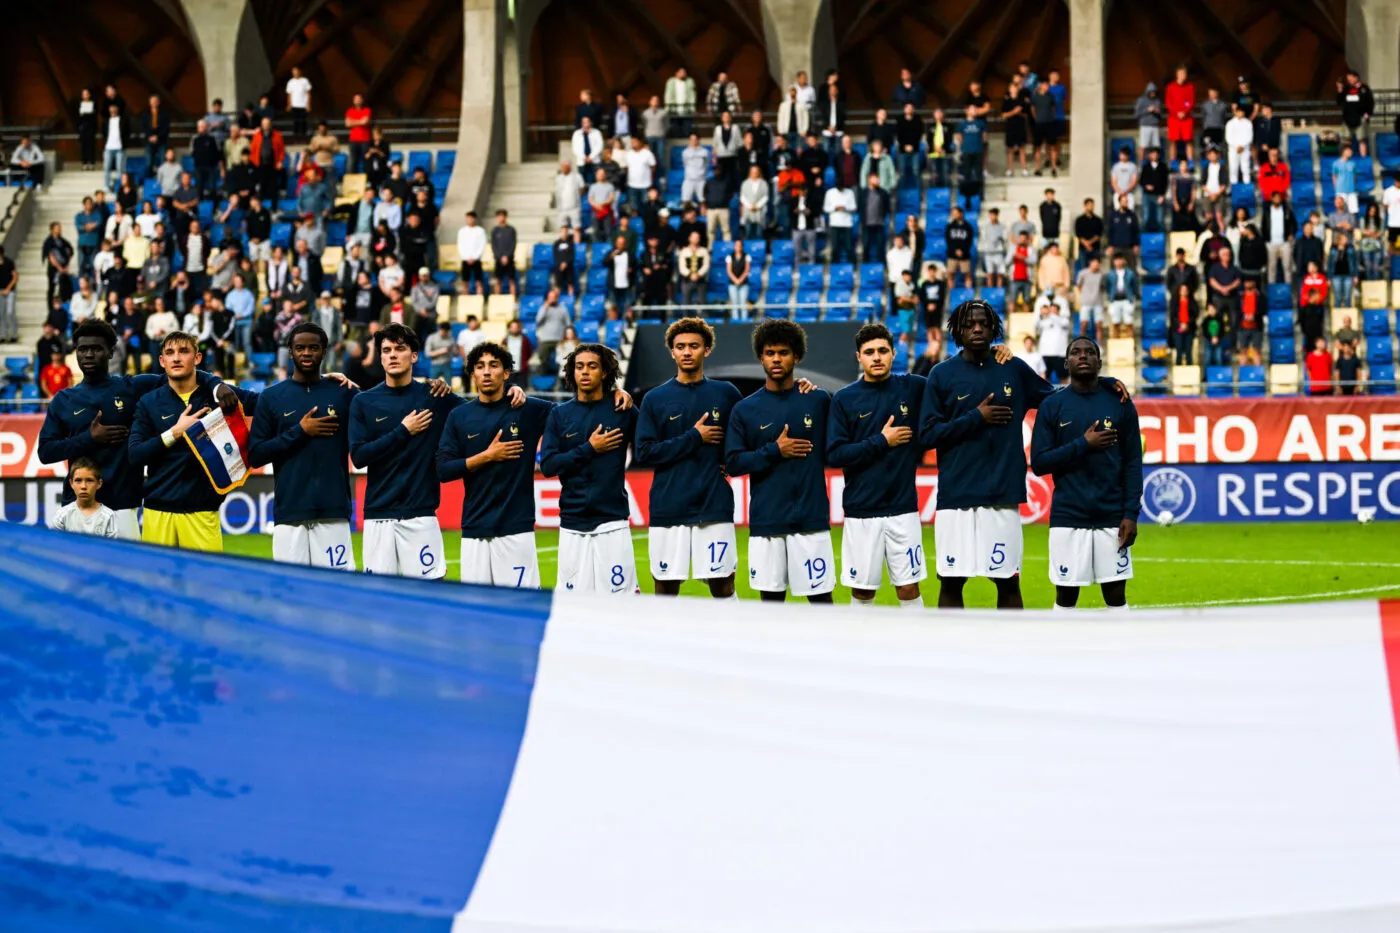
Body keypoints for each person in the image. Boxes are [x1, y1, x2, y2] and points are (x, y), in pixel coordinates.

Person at [919, 300, 1120, 609]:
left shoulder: (1012, 368)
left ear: (994, 329)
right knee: (951, 582)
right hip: (956, 498)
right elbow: (927, 435)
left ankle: (1013, 653)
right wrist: (976, 417)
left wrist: (1099, 380)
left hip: (1002, 496)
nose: (977, 328)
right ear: (958, 329)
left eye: (983, 323)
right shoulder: (941, 374)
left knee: (1008, 583)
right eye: (970, 323)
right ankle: (951, 651)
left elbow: (1057, 399)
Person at [725, 320, 834, 603]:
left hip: (811, 521)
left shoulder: (818, 399)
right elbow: (733, 463)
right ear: (761, 356)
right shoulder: (745, 409)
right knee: (771, 608)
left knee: (822, 605)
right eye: (770, 352)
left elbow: (836, 449)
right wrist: (775, 450)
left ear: (796, 356)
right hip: (767, 523)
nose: (776, 358)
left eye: (783, 352)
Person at [1030, 337, 1142, 612]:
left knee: (1116, 596)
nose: (1083, 356)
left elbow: (1132, 463)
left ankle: (1123, 653)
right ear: (1066, 363)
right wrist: (1084, 444)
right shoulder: (1052, 405)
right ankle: (1062, 654)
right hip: (1068, 516)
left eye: (1090, 352)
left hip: (1112, 515)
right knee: (1066, 598)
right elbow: (1040, 463)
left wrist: (1130, 514)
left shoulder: (1120, 402)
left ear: (1099, 362)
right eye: (1076, 353)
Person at [635, 318, 744, 598]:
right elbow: (645, 452)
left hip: (714, 504)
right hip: (669, 505)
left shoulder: (727, 393)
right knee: (666, 587)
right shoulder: (654, 399)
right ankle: (667, 641)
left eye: (693, 346)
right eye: (680, 346)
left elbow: (744, 441)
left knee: (722, 583)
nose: (686, 352)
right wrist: (694, 437)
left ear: (706, 350)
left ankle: (727, 640)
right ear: (671, 351)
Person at [826, 323, 927, 609]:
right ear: (859, 357)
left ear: (894, 353)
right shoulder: (845, 398)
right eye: (869, 352)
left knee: (909, 590)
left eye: (883, 350)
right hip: (861, 511)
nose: (877, 357)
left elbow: (949, 383)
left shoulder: (914, 387)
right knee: (862, 592)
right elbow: (835, 454)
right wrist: (882, 441)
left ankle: (916, 650)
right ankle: (858, 652)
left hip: (903, 509)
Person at [437, 341, 553, 588]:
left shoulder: (528, 409)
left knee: (521, 610)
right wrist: (487, 456)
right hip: (474, 530)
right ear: (472, 373)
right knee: (476, 614)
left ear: (506, 373)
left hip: (516, 530)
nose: (487, 371)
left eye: (493, 365)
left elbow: (574, 412)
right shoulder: (459, 416)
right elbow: (443, 470)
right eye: (480, 366)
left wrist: (616, 392)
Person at [128, 331, 255, 552]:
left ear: (197, 358)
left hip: (203, 511)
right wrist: (174, 433)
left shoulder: (218, 395)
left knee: (205, 585)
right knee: (158, 586)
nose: (176, 358)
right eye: (170, 353)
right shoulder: (149, 402)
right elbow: (135, 455)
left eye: (183, 351)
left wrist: (320, 384)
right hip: (158, 511)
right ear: (162, 361)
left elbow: (271, 403)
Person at [348, 324, 458, 578]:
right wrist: (403, 431)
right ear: (380, 357)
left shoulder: (435, 396)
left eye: (400, 349)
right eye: (386, 350)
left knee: (430, 601)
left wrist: (513, 392)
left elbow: (479, 413)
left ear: (415, 355)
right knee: (378, 604)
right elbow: (359, 457)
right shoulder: (364, 402)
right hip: (378, 517)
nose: (393, 355)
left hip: (421, 516)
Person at [246, 322, 358, 569]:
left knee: (336, 593)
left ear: (324, 352)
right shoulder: (271, 397)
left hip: (333, 512)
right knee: (290, 596)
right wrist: (300, 431)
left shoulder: (344, 393)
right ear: (291, 351)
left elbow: (379, 407)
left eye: (313, 348)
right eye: (300, 348)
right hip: (290, 515)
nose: (307, 353)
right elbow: (255, 455)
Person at [540, 344, 638, 594]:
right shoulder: (559, 414)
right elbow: (549, 465)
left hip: (613, 521)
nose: (584, 372)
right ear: (571, 372)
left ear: (605, 372)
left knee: (622, 605)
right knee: (574, 607)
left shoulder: (623, 410)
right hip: (573, 522)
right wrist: (590, 448)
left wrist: (623, 393)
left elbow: (650, 449)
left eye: (592, 366)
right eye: (579, 366)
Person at [45, 455, 118, 538]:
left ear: (99, 483)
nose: (83, 486)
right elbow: (55, 546)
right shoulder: (62, 515)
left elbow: (111, 549)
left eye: (89, 480)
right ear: (71, 483)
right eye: (78, 480)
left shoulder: (108, 516)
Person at [284, 66, 312, 139]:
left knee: (303, 121)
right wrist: (289, 104)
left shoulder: (305, 81)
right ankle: (295, 136)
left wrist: (308, 104)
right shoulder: (290, 82)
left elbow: (308, 93)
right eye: (293, 71)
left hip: (303, 105)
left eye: (296, 71)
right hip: (294, 105)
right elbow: (289, 94)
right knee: (295, 121)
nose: (295, 73)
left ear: (299, 71)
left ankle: (304, 136)